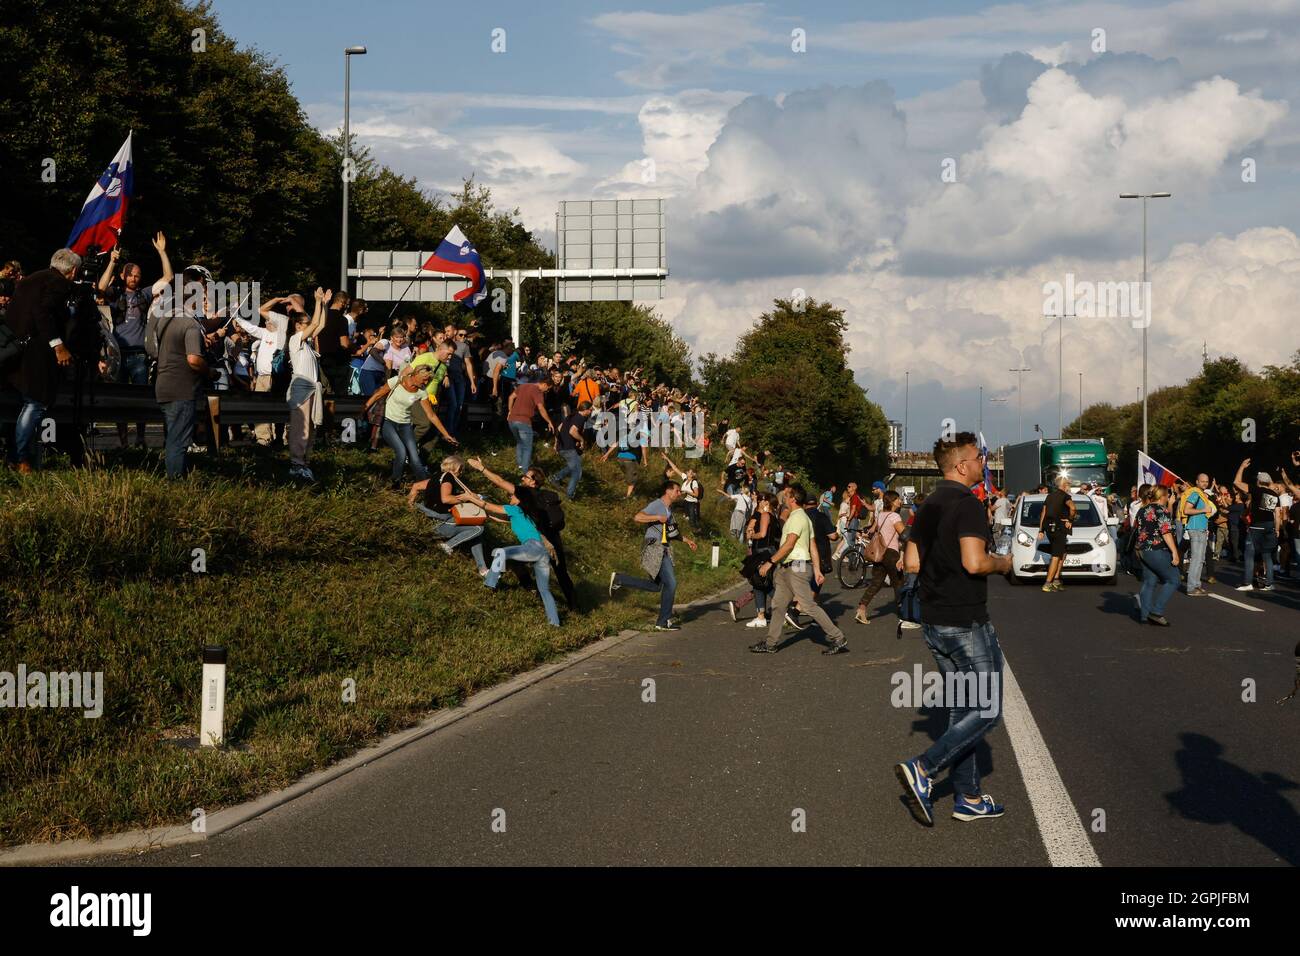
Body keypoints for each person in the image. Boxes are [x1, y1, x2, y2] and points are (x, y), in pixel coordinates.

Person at [895, 432, 1011, 826]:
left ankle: (970, 799)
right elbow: (975, 563)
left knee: (963, 709)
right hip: (966, 620)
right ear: (962, 465)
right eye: (980, 457)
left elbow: (910, 562)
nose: (985, 463)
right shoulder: (967, 504)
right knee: (988, 709)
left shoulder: (927, 506)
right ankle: (924, 768)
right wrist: (1003, 563)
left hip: (933, 620)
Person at [4, 249, 81, 472]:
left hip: (14, 349)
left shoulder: (30, 279)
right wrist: (58, 345)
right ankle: (21, 459)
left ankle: (15, 456)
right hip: (36, 355)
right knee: (35, 403)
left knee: (21, 404)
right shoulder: (59, 284)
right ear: (73, 270)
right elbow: (43, 311)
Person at [748, 485, 847, 654]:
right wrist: (816, 570)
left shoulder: (797, 518)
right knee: (778, 605)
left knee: (807, 605)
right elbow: (812, 545)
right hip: (791, 568)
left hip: (797, 567)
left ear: (793, 498)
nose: (783, 497)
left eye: (786, 495)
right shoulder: (802, 517)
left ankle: (838, 637)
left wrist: (770, 562)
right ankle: (770, 643)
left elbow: (789, 544)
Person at [471, 458, 578, 612]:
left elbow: (500, 481)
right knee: (561, 574)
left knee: (515, 558)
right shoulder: (544, 496)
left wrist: (481, 468)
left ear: (533, 482)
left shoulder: (526, 494)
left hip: (539, 539)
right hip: (554, 538)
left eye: (526, 477)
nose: (522, 478)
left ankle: (528, 587)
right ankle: (574, 607)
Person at [98, 232, 173, 448]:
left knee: (140, 399)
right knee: (120, 401)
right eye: (130, 274)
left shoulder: (145, 294)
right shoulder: (115, 294)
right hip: (118, 355)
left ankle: (140, 438)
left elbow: (167, 278)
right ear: (123, 276)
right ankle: (123, 442)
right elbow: (100, 289)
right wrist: (112, 262)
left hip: (140, 355)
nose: (134, 278)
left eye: (137, 275)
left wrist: (162, 252)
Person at [145, 266, 211, 479]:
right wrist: (210, 373)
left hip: (162, 384)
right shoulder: (190, 324)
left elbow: (152, 348)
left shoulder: (165, 319)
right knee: (179, 441)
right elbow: (193, 360)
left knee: (173, 435)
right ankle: (175, 482)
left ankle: (173, 476)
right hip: (181, 388)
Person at [608, 479, 698, 631]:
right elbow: (638, 517)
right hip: (655, 548)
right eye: (677, 490)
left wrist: (687, 540)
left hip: (664, 548)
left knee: (656, 586)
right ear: (668, 491)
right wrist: (655, 517)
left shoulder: (669, 510)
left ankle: (620, 579)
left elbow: (672, 532)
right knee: (671, 583)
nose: (679, 493)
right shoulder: (657, 505)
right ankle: (663, 622)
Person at [478, 482, 561, 628]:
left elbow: (489, 506)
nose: (509, 497)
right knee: (544, 590)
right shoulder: (524, 514)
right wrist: (483, 512)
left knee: (501, 552)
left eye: (511, 495)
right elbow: (496, 516)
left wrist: (472, 498)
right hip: (542, 552)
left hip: (532, 547)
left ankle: (490, 584)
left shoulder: (515, 509)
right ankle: (555, 623)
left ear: (519, 498)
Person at [363, 363, 445, 488]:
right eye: (425, 379)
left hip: (405, 425)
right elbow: (378, 394)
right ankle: (395, 483)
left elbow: (431, 416)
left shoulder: (421, 392)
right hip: (389, 422)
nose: (426, 382)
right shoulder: (396, 381)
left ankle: (426, 486)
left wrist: (446, 434)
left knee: (415, 457)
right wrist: (364, 408)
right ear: (416, 374)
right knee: (401, 451)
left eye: (429, 380)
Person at [408, 455, 488, 574]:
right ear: (457, 468)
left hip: (430, 519)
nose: (461, 473)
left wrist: (409, 506)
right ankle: (446, 546)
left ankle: (483, 569)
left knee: (476, 533)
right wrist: (467, 499)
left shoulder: (437, 477)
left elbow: (416, 486)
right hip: (440, 523)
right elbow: (446, 499)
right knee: (478, 528)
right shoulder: (449, 478)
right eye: (461, 470)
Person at [284, 289, 329, 481]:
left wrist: (324, 305)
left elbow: (321, 324)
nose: (310, 326)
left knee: (310, 428)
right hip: (301, 388)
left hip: (311, 388)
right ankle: (296, 464)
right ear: (297, 326)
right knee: (299, 428)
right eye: (306, 323)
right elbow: (316, 323)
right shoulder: (295, 340)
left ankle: (304, 462)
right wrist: (317, 301)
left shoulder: (307, 344)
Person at [855, 490, 906, 624]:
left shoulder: (881, 515)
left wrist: (865, 533)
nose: (900, 501)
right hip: (891, 553)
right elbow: (904, 535)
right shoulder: (894, 517)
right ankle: (904, 614)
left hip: (880, 554)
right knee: (899, 583)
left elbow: (873, 530)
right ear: (893, 502)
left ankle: (861, 609)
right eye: (898, 499)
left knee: (876, 583)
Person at [1134, 485, 1181, 625]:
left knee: (1149, 582)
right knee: (1174, 580)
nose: (1168, 498)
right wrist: (1174, 552)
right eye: (1167, 496)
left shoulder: (1142, 510)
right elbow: (1166, 532)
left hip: (1142, 550)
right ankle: (1156, 612)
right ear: (1162, 497)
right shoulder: (1161, 510)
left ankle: (1144, 616)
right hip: (1156, 549)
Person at [1234, 459, 1282, 592]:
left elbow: (1236, 482)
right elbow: (1277, 514)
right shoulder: (1275, 495)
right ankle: (1269, 583)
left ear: (1259, 481)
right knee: (1267, 555)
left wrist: (1242, 466)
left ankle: (1248, 582)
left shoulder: (1256, 490)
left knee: (1249, 554)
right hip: (1270, 526)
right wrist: (1277, 529)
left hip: (1257, 526)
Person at [506, 377, 555, 472]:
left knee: (520, 442)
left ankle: (520, 464)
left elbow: (510, 397)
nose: (547, 391)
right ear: (544, 384)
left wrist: (510, 411)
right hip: (524, 421)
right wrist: (549, 421)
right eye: (548, 388)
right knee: (528, 447)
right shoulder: (538, 392)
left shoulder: (523, 386)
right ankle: (526, 472)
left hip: (512, 421)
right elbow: (541, 408)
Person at [1037, 475, 1075, 592]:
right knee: (1056, 556)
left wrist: (1041, 530)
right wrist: (1070, 519)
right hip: (1059, 529)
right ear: (1064, 485)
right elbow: (1073, 508)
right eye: (1068, 485)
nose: (1069, 487)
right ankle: (1048, 583)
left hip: (1049, 528)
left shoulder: (1049, 496)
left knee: (1062, 553)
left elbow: (1043, 512)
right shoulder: (1066, 496)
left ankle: (1056, 580)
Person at [1179, 473, 1214, 596]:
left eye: (1207, 481)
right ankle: (1191, 588)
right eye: (1202, 481)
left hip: (1202, 529)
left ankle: (1196, 585)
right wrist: (1204, 510)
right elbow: (1186, 510)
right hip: (1195, 529)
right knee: (1196, 559)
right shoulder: (1195, 494)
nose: (1205, 483)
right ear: (1197, 482)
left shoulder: (1202, 495)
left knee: (1200, 560)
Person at [551, 400, 591, 499]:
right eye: (590, 410)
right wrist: (582, 440)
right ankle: (570, 494)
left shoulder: (571, 415)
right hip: (568, 448)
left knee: (573, 465)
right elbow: (572, 431)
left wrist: (556, 443)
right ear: (585, 410)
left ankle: (555, 478)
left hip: (562, 446)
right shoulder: (580, 418)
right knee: (577, 471)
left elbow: (559, 428)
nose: (591, 412)